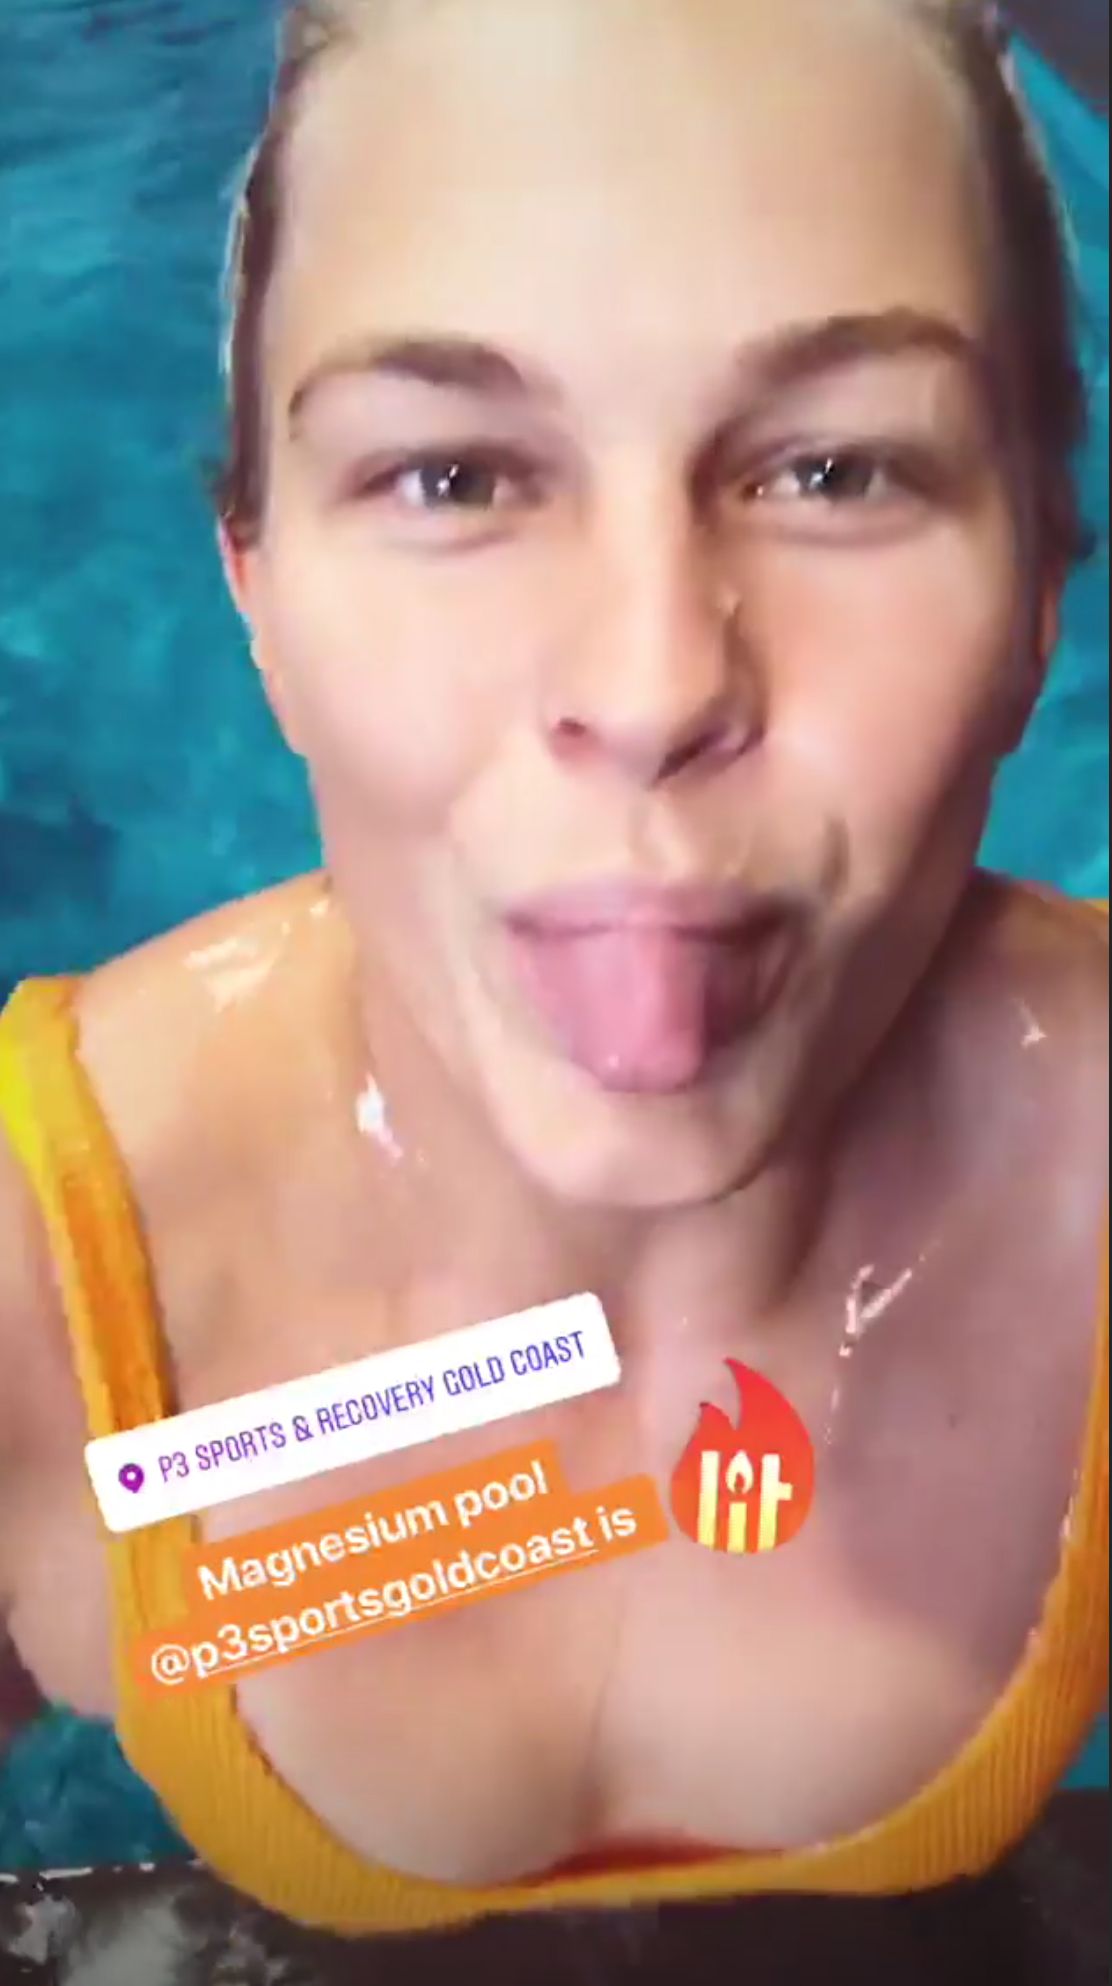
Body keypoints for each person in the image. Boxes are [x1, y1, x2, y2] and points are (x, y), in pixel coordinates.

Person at [0, 0, 1107, 1941]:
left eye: (838, 470)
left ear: (1041, 589)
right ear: (253, 587)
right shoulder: (38, 1279)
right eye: (451, 477)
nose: (652, 683)